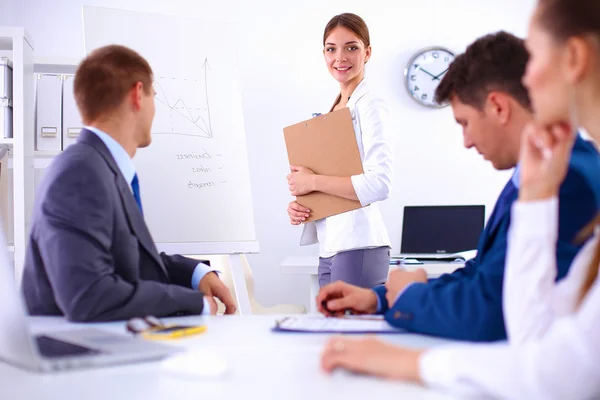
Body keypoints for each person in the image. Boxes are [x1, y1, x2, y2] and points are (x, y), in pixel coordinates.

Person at [320, 1, 600, 398]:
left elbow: (500, 315)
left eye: (534, 56)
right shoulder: (542, 172)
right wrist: (380, 297)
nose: (528, 75)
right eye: (330, 49)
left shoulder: (568, 178)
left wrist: (405, 344)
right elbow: (495, 283)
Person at [21, 45, 236, 322]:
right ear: (138, 95)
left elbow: (128, 262)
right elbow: (90, 296)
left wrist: (196, 273)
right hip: (81, 356)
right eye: (154, 96)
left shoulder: (100, 167)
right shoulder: (79, 174)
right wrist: (197, 303)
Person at [286, 13, 393, 289]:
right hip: (330, 245)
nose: (340, 57)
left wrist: (311, 182)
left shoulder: (371, 105)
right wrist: (304, 204)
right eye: (331, 49)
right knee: (331, 331)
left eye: (351, 47)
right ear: (323, 54)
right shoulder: (332, 110)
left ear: (367, 52)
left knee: (350, 332)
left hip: (359, 244)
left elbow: (378, 184)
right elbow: (334, 182)